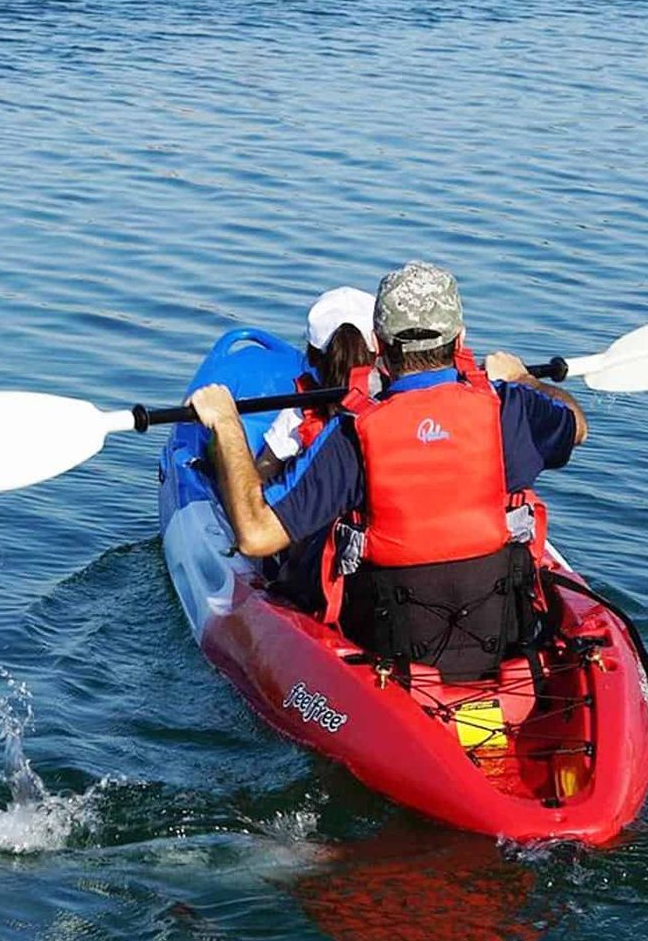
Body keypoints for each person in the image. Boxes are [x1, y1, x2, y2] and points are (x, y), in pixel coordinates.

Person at [190, 262, 588, 678]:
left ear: (379, 345)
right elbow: (576, 425)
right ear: (461, 339)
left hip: (388, 647)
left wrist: (227, 425)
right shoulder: (511, 408)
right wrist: (525, 379)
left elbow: (255, 535)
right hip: (502, 629)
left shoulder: (353, 434)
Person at [255, 286, 376, 483]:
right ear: (378, 349)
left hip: (318, 508)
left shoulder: (300, 410)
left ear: (311, 357)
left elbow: (265, 468)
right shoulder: (392, 400)